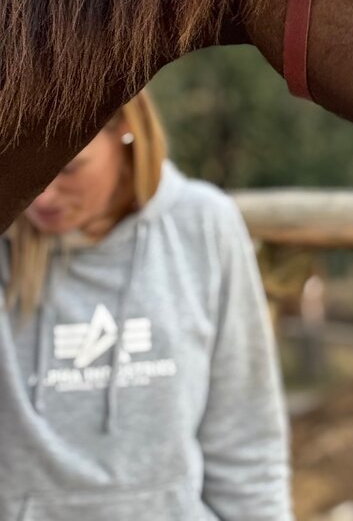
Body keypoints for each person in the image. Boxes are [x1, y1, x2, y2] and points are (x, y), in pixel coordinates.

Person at [0, 90, 294, 520]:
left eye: (67, 168)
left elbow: (245, 436)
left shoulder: (204, 224)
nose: (41, 197)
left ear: (125, 132)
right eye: (17, 164)